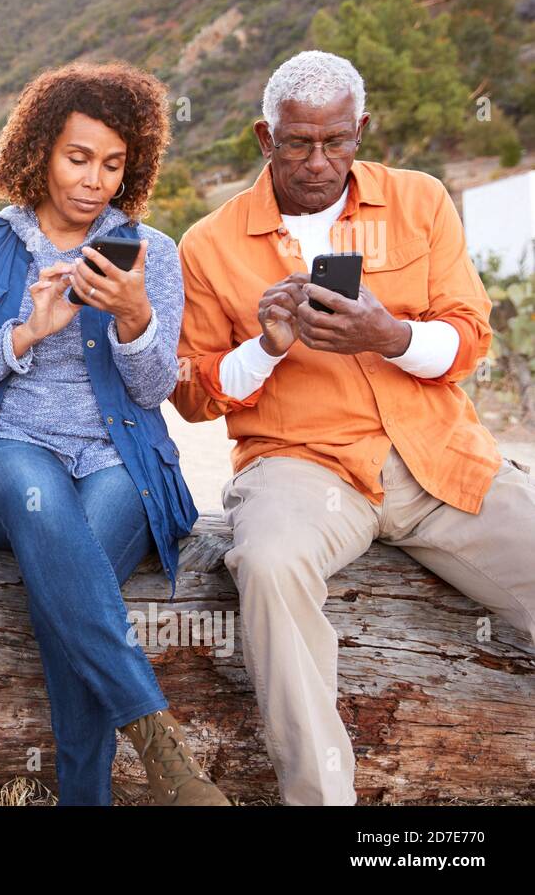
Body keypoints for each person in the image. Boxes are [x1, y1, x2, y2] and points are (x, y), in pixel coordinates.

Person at [173, 50, 535, 805]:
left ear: (361, 129)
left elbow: (470, 337)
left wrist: (390, 335)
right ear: (263, 138)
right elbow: (195, 395)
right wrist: (265, 347)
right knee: (269, 565)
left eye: (336, 141)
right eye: (297, 142)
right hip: (304, 466)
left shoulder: (420, 200)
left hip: (436, 457)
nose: (317, 161)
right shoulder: (208, 244)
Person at [0, 62, 228, 806]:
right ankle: (162, 746)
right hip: (4, 451)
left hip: (119, 456)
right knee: (39, 500)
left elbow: (156, 388)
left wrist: (133, 317)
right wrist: (23, 335)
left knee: (71, 570)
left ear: (135, 166)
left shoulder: (151, 252)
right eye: (78, 158)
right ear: (40, 152)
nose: (94, 181)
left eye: (113, 164)